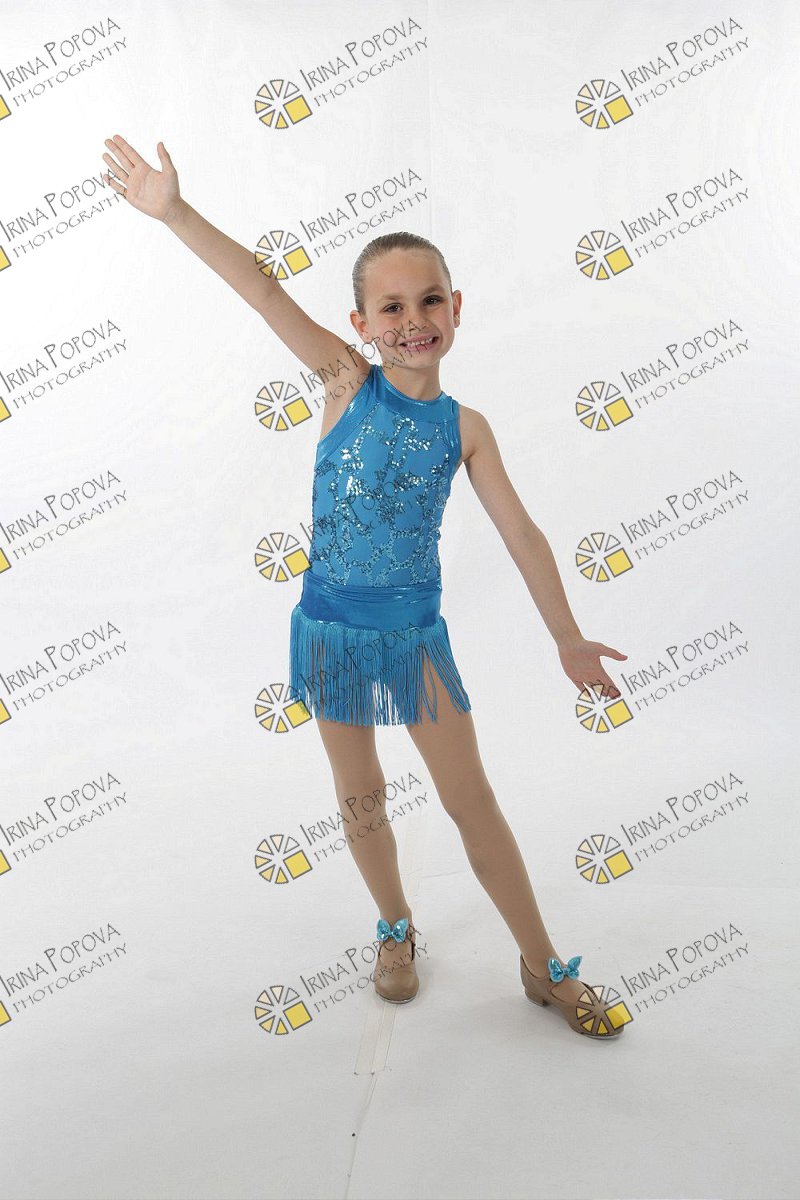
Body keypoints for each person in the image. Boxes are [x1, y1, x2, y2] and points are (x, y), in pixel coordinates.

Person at [101, 134, 629, 1039]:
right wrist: (175, 212)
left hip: (414, 637)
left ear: (456, 308)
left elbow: (523, 533)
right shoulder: (348, 384)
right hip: (333, 634)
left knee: (471, 802)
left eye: (429, 300)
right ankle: (393, 927)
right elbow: (263, 290)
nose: (412, 319)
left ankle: (542, 965)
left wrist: (566, 635)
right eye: (391, 306)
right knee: (361, 798)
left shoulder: (467, 427)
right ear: (360, 324)